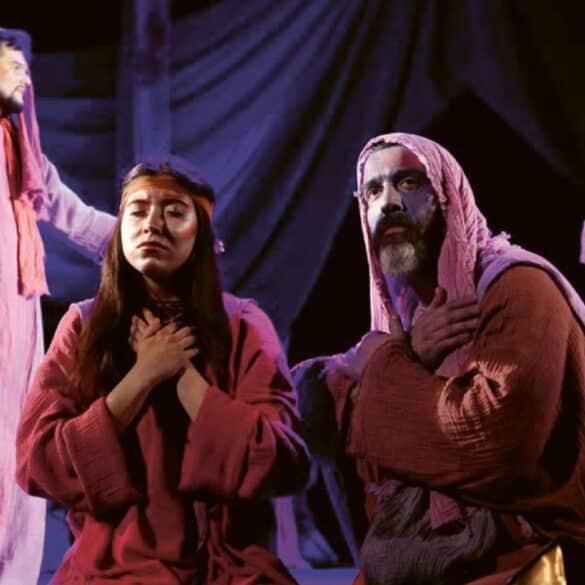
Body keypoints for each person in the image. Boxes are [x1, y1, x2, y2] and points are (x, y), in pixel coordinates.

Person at [297, 132, 585, 584]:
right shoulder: (404, 316)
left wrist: (383, 368)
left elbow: (490, 440)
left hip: (522, 558)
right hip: (424, 560)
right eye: (373, 191)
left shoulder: (517, 286)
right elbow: (300, 405)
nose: (389, 202)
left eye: (409, 183)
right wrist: (407, 353)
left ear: (447, 195)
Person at [15, 157, 310, 584]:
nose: (152, 225)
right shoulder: (83, 326)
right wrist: (142, 376)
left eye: (174, 212)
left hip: (228, 570)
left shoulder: (243, 325)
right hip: (110, 571)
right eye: (137, 211)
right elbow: (38, 460)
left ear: (202, 234)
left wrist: (184, 378)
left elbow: (283, 461)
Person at [0, 27, 116, 583]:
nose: (22, 75)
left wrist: (155, 240)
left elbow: (75, 216)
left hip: (18, 336)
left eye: (24, 65)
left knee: (21, 463)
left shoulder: (22, 152)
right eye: (9, 63)